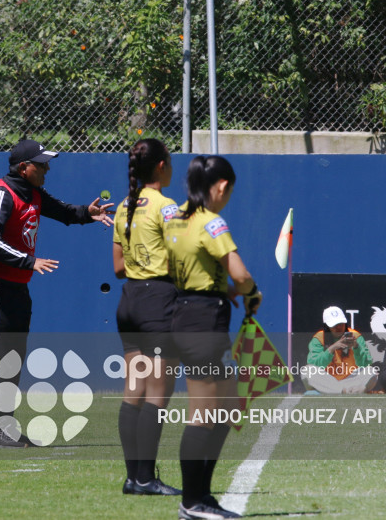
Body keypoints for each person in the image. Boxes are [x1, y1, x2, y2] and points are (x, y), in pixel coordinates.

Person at [0, 138, 114, 448]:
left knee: (12, 357)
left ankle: (4, 428)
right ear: (24, 168)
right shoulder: (1, 194)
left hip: (18, 284)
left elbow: (61, 211)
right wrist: (30, 261)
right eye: (41, 164)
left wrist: (85, 213)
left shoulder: (32, 191)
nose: (47, 168)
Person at [164, 155, 262, 520]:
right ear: (220, 187)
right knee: (204, 414)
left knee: (224, 408)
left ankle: (202, 496)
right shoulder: (212, 222)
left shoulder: (175, 220)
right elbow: (241, 274)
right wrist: (250, 291)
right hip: (204, 321)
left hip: (186, 313)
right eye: (229, 191)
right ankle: (192, 502)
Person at [113, 139, 181, 496]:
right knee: (158, 393)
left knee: (133, 391)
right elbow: (180, 256)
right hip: (158, 302)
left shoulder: (125, 205)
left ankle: (133, 478)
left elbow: (118, 267)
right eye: (169, 161)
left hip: (129, 302)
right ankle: (145, 478)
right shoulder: (166, 206)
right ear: (160, 166)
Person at [302, 306, 377, 394]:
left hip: (350, 379)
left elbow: (366, 363)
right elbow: (314, 364)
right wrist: (331, 349)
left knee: (371, 371)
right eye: (334, 325)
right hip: (327, 380)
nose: (338, 327)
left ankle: (335, 391)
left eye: (341, 324)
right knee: (307, 371)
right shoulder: (318, 338)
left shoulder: (355, 336)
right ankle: (346, 391)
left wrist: (356, 347)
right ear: (327, 326)